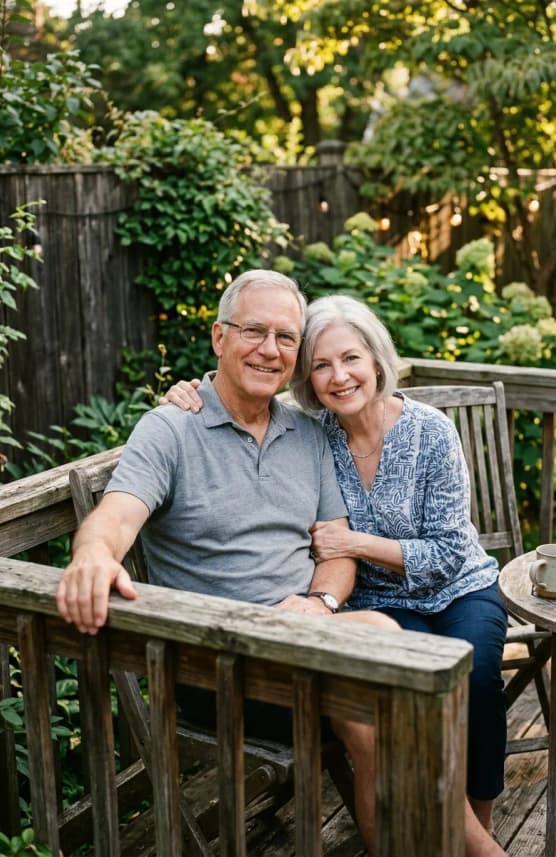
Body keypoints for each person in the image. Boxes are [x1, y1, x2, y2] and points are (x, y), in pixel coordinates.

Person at [56, 270, 399, 856]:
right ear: (219, 338)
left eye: (286, 338)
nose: (270, 350)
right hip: (214, 667)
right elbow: (117, 514)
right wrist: (91, 554)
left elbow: (337, 551)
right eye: (254, 332)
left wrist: (319, 604)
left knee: (398, 668)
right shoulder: (171, 429)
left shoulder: (309, 434)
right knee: (387, 672)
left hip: (305, 641)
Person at [163, 293, 509, 857]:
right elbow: (234, 394)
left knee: (475, 677)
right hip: (378, 604)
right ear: (309, 378)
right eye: (321, 365)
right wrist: (187, 392)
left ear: (376, 359)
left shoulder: (431, 431)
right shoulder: (310, 434)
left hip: (457, 588)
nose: (339, 376)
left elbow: (449, 550)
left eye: (350, 359)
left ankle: (478, 828)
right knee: (419, 692)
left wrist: (355, 542)